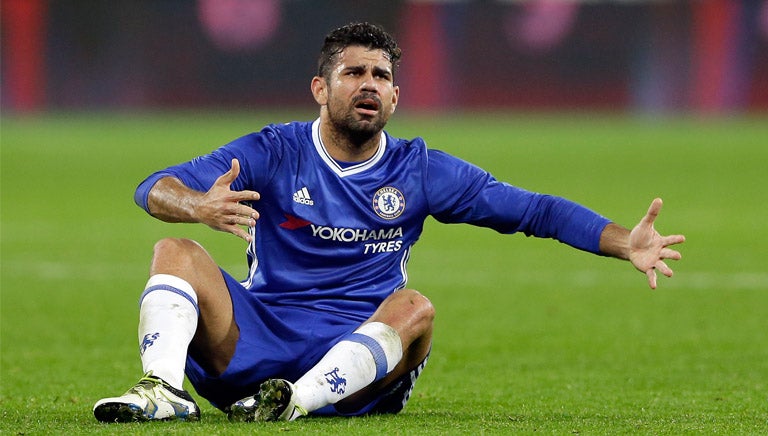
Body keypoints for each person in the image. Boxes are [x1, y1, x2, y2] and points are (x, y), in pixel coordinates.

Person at [93, 22, 685, 423]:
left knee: (415, 308)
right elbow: (153, 186)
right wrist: (197, 206)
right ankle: (163, 391)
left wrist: (620, 242)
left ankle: (292, 404)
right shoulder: (274, 150)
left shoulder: (420, 169)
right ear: (321, 89)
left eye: (380, 76)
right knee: (175, 249)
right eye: (354, 74)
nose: (368, 85)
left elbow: (533, 210)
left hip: (355, 356)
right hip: (261, 334)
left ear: (396, 98)